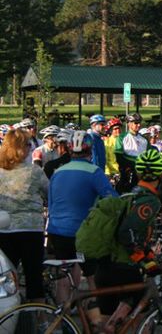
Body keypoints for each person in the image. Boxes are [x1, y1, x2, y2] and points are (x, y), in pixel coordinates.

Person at [94, 149, 162, 331]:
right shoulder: (149, 200)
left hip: (105, 262)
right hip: (123, 265)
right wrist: (144, 260)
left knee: (106, 320)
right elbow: (128, 233)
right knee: (142, 309)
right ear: (160, 173)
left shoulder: (130, 193)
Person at [47, 130, 118, 302]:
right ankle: (98, 315)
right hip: (83, 233)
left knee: (64, 276)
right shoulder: (94, 172)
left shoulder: (57, 172)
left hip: (57, 231)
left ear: (70, 150)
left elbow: (51, 203)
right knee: (92, 274)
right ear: (90, 151)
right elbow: (113, 201)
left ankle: (63, 318)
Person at [0, 128, 49, 302]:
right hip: (30, 229)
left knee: (6, 277)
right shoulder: (34, 172)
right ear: (19, 148)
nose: (30, 148)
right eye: (27, 144)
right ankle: (40, 319)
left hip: (4, 230)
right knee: (34, 276)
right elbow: (48, 191)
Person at [114, 113, 148, 192]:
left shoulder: (144, 139)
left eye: (139, 122)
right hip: (128, 172)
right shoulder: (122, 137)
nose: (139, 125)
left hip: (142, 172)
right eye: (136, 123)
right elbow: (119, 157)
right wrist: (131, 167)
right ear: (129, 124)